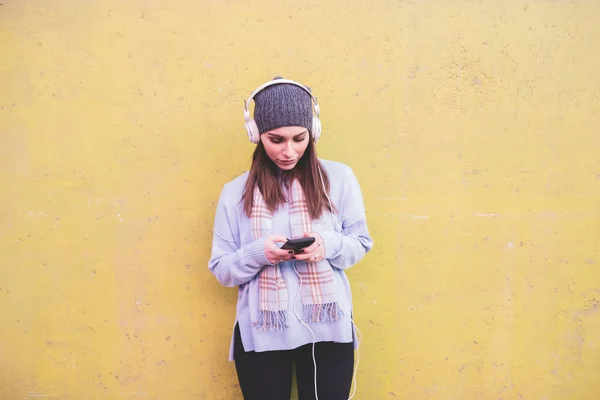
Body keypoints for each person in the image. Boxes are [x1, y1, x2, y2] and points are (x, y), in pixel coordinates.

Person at [208, 76, 373, 400]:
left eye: (299, 138)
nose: (289, 150)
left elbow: (361, 242)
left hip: (328, 329)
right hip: (262, 332)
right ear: (255, 135)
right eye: (276, 139)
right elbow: (221, 269)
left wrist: (327, 245)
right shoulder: (234, 193)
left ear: (313, 131)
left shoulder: (339, 178)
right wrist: (260, 253)